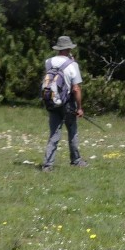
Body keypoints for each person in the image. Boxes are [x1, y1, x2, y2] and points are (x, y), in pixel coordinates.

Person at [41, 35, 87, 171]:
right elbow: (76, 88)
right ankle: (76, 160)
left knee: (54, 134)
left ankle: (48, 165)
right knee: (72, 132)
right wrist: (79, 108)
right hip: (67, 104)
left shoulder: (48, 62)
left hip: (52, 102)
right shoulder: (72, 65)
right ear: (68, 49)